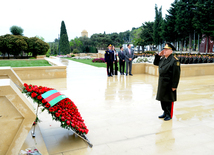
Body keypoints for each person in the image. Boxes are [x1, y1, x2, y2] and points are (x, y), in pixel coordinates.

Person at [153, 43, 181, 121]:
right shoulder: (162, 59)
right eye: (164, 49)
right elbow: (155, 63)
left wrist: (174, 86)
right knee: (162, 99)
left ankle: (169, 114)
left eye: (166, 50)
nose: (164, 51)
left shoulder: (174, 61)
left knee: (169, 100)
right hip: (162, 83)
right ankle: (165, 112)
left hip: (169, 84)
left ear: (171, 51)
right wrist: (158, 55)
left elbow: (176, 74)